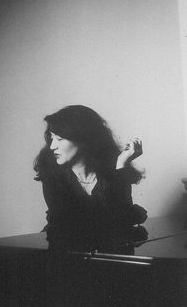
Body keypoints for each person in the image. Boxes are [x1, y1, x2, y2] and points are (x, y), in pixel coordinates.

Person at [34, 105, 147, 253]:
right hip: (67, 253)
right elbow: (72, 225)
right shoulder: (52, 173)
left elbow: (120, 217)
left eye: (60, 139)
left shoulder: (111, 169)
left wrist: (121, 164)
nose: (52, 146)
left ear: (83, 139)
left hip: (110, 251)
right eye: (52, 138)